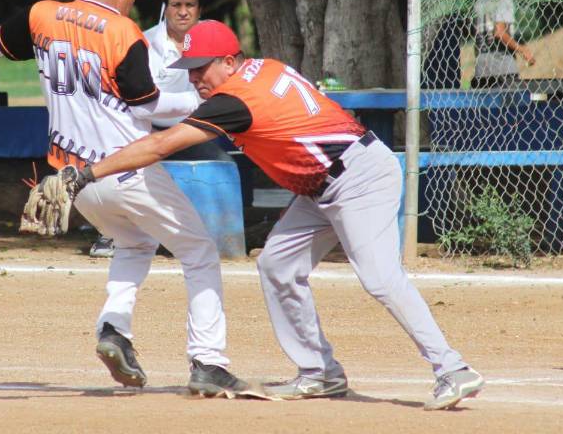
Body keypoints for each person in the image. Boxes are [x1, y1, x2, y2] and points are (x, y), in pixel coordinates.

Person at [68, 20, 485, 410]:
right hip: (320, 185)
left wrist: (87, 173)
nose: (195, 78)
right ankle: (319, 372)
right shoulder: (264, 68)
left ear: (230, 62)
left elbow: (160, 146)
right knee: (277, 265)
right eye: (189, 70)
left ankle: (452, 368)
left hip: (359, 178)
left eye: (201, 69)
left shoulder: (234, 100)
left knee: (380, 277)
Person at [0, 0, 246, 397]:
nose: (132, 2)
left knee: (134, 242)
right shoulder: (123, 31)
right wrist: (202, 104)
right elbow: (150, 107)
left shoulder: (40, 14)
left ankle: (114, 330)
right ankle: (209, 362)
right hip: (126, 170)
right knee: (199, 251)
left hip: (73, 179)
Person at [89, 0, 230, 258]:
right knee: (124, 173)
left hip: (191, 131)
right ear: (165, 8)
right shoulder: (145, 42)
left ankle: (228, 233)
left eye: (190, 5)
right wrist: (192, 101)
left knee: (224, 165)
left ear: (200, 10)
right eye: (176, 4)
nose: (183, 12)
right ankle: (109, 234)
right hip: (146, 131)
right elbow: (143, 103)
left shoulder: (212, 37)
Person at [472, 0, 535, 89]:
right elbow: (499, 32)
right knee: (510, 107)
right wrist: (522, 50)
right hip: (502, 64)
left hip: (482, 64)